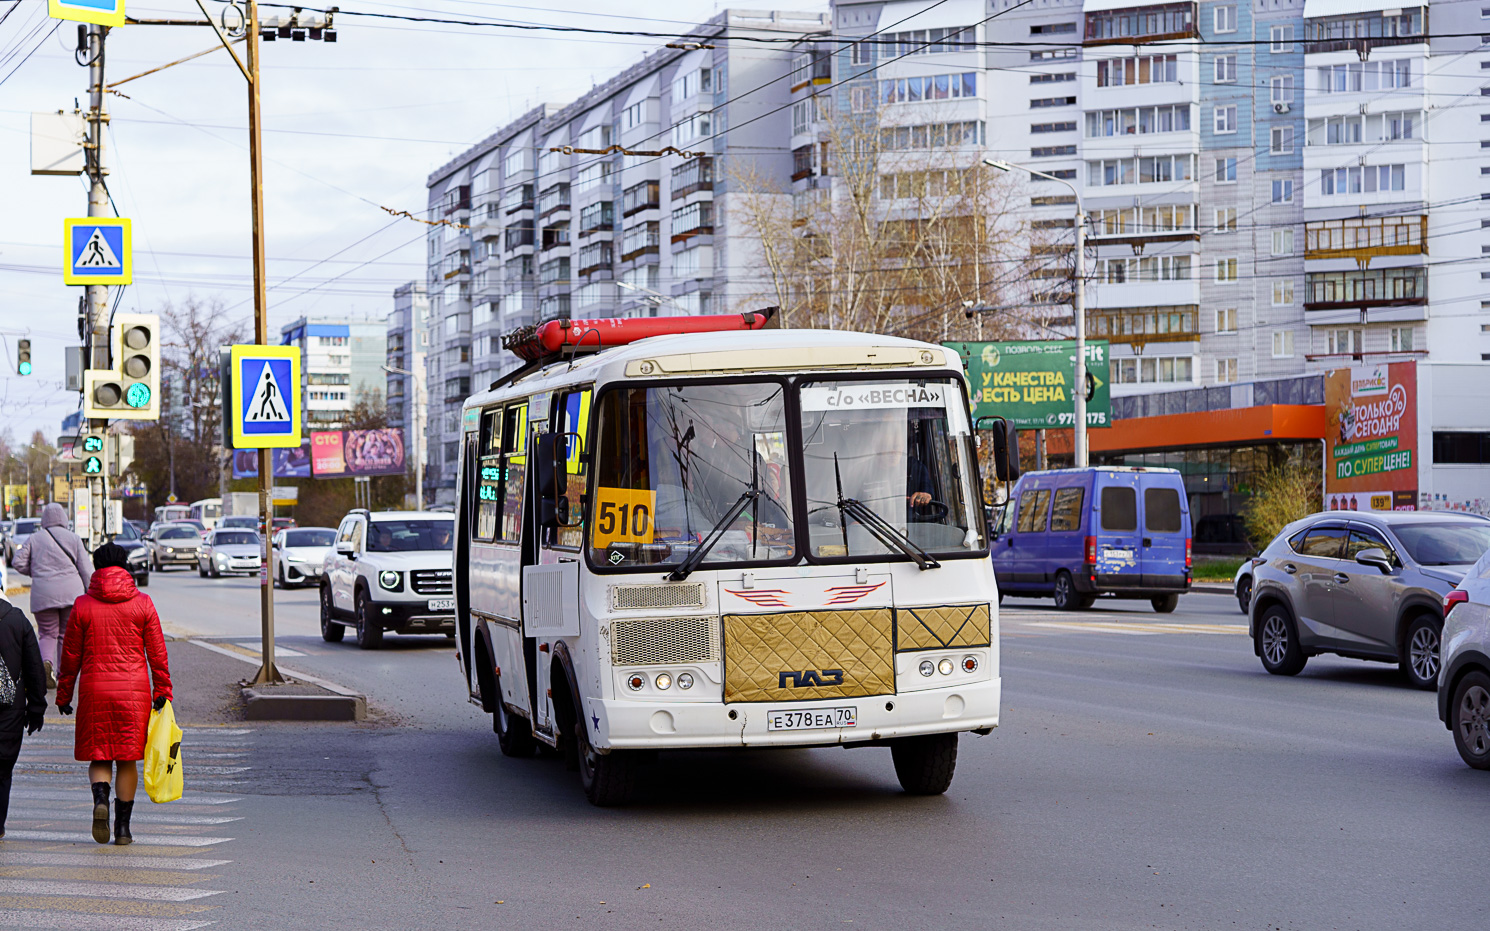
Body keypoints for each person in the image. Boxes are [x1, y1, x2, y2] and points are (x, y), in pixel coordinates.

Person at [55, 543, 172, 846]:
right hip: (133, 692)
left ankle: (100, 801)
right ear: (125, 566)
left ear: (96, 568)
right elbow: (157, 653)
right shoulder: (143, 603)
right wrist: (163, 690)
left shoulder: (82, 605)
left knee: (100, 753)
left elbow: (70, 656)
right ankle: (123, 829)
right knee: (127, 759)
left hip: (95, 690)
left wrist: (64, 695)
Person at [11, 503, 92, 689]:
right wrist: (90, 591)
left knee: (47, 633)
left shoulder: (35, 538)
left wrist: (35, 572)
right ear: (63, 518)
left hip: (44, 594)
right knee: (66, 634)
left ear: (44, 519)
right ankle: (64, 674)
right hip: (72, 594)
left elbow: (17, 561)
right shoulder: (74, 538)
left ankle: (47, 664)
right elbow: (86, 569)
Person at [0, 595, 46, 840]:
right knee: (3, 768)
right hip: (10, 709)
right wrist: (36, 707)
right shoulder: (17, 620)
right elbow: (34, 668)